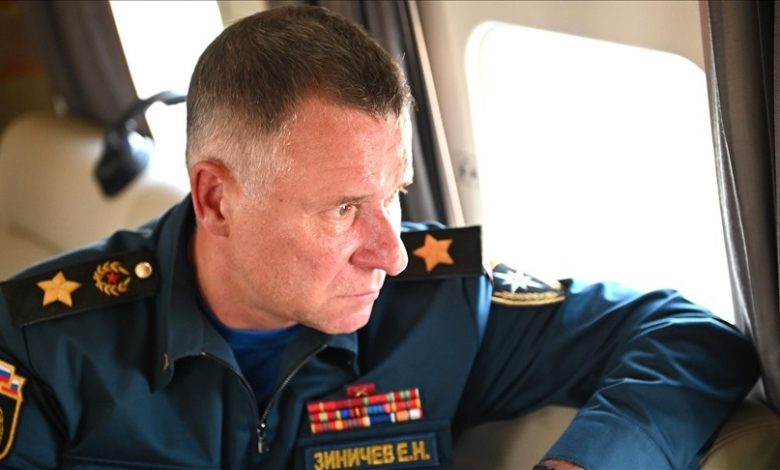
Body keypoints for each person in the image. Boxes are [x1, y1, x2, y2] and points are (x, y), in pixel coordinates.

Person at [0, 6, 759, 470]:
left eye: (394, 196)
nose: (391, 252)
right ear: (216, 198)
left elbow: (688, 336)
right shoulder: (38, 346)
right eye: (341, 208)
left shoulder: (440, 308)